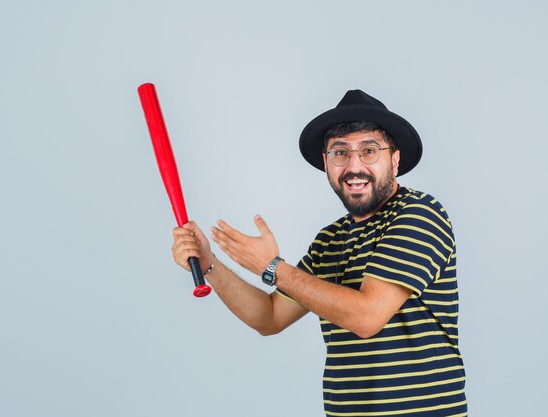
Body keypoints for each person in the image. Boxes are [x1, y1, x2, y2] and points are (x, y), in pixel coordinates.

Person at [171, 89, 467, 417]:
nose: (355, 166)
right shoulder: (330, 240)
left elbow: (366, 317)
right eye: (340, 153)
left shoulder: (419, 214)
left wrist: (272, 267)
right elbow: (269, 317)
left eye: (369, 151)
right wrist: (211, 264)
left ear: (394, 160)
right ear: (326, 162)